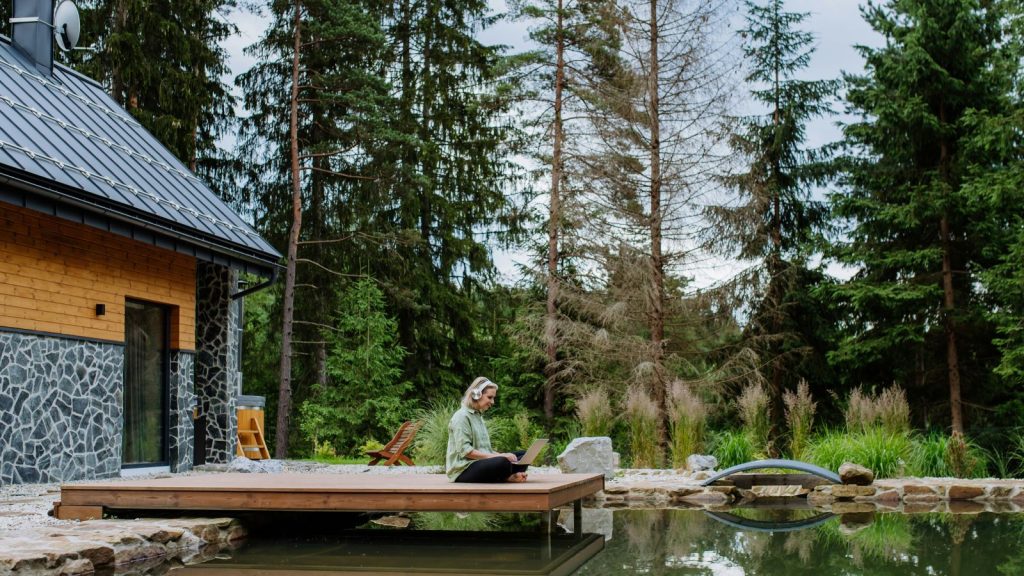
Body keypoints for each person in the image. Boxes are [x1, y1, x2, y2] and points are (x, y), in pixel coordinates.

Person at [446, 377, 529, 483]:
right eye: (490, 397)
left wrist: (504, 455)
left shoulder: (478, 416)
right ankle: (507, 476)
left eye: (493, 398)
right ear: (476, 394)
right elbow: (466, 451)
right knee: (502, 462)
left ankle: (507, 474)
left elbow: (485, 450)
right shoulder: (461, 416)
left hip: (480, 463)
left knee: (524, 455)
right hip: (463, 469)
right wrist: (501, 456)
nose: (492, 402)